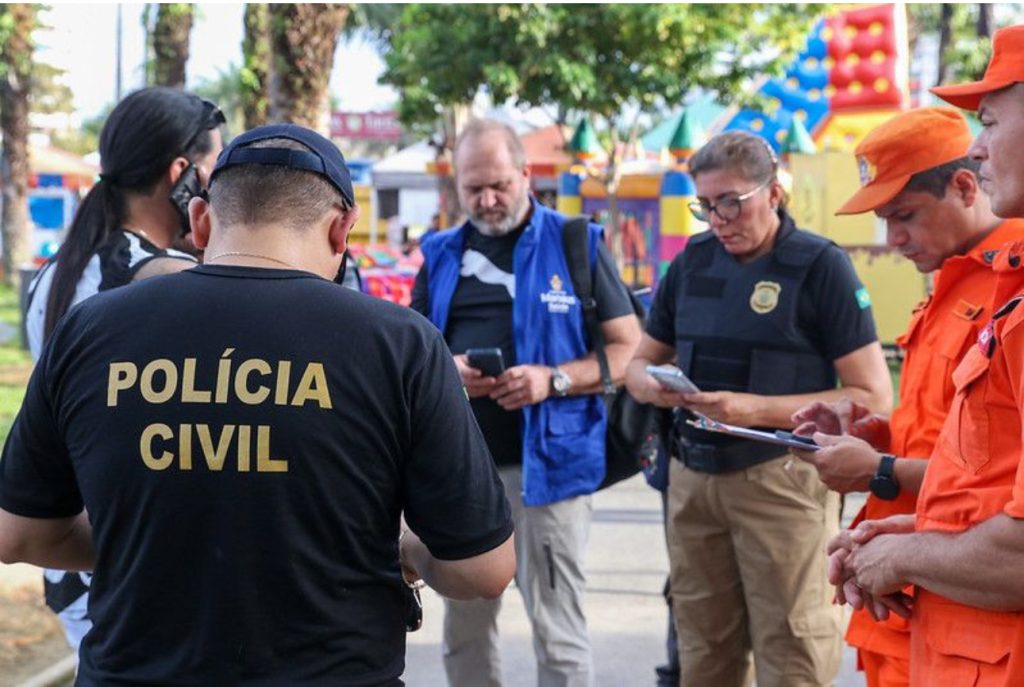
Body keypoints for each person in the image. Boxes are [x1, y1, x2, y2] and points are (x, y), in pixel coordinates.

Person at [0, 123, 516, 685]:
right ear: (342, 229)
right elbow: (484, 569)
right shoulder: (399, 344)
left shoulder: (91, 329)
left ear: (201, 220)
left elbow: (20, 534)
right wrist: (405, 551)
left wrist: (151, 539)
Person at [624, 130, 893, 687]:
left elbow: (871, 395)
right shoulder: (692, 262)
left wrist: (752, 409)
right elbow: (636, 365)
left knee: (792, 649)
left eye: (731, 201)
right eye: (705, 205)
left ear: (773, 192)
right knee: (703, 649)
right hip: (692, 480)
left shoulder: (820, 265)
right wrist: (654, 387)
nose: (717, 219)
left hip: (781, 480)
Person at [789, 106, 1024, 687]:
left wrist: (881, 470)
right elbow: (961, 438)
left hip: (965, 592)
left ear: (965, 186)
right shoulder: (951, 281)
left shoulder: (1009, 286)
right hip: (911, 585)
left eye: (905, 215)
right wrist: (876, 437)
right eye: (884, 220)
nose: (893, 238)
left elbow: (997, 483)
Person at [411, 118, 641, 687]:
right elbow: (411, 356)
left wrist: (552, 380)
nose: (487, 200)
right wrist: (448, 372)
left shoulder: (575, 242)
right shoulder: (440, 253)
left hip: (552, 472)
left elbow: (628, 350)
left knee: (559, 633)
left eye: (499, 185)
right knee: (464, 631)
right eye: (474, 188)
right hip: (462, 473)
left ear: (526, 174)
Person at [20, 86, 225, 652]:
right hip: (147, 565)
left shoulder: (56, 273)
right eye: (216, 170)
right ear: (182, 173)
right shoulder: (172, 279)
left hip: (76, 566)